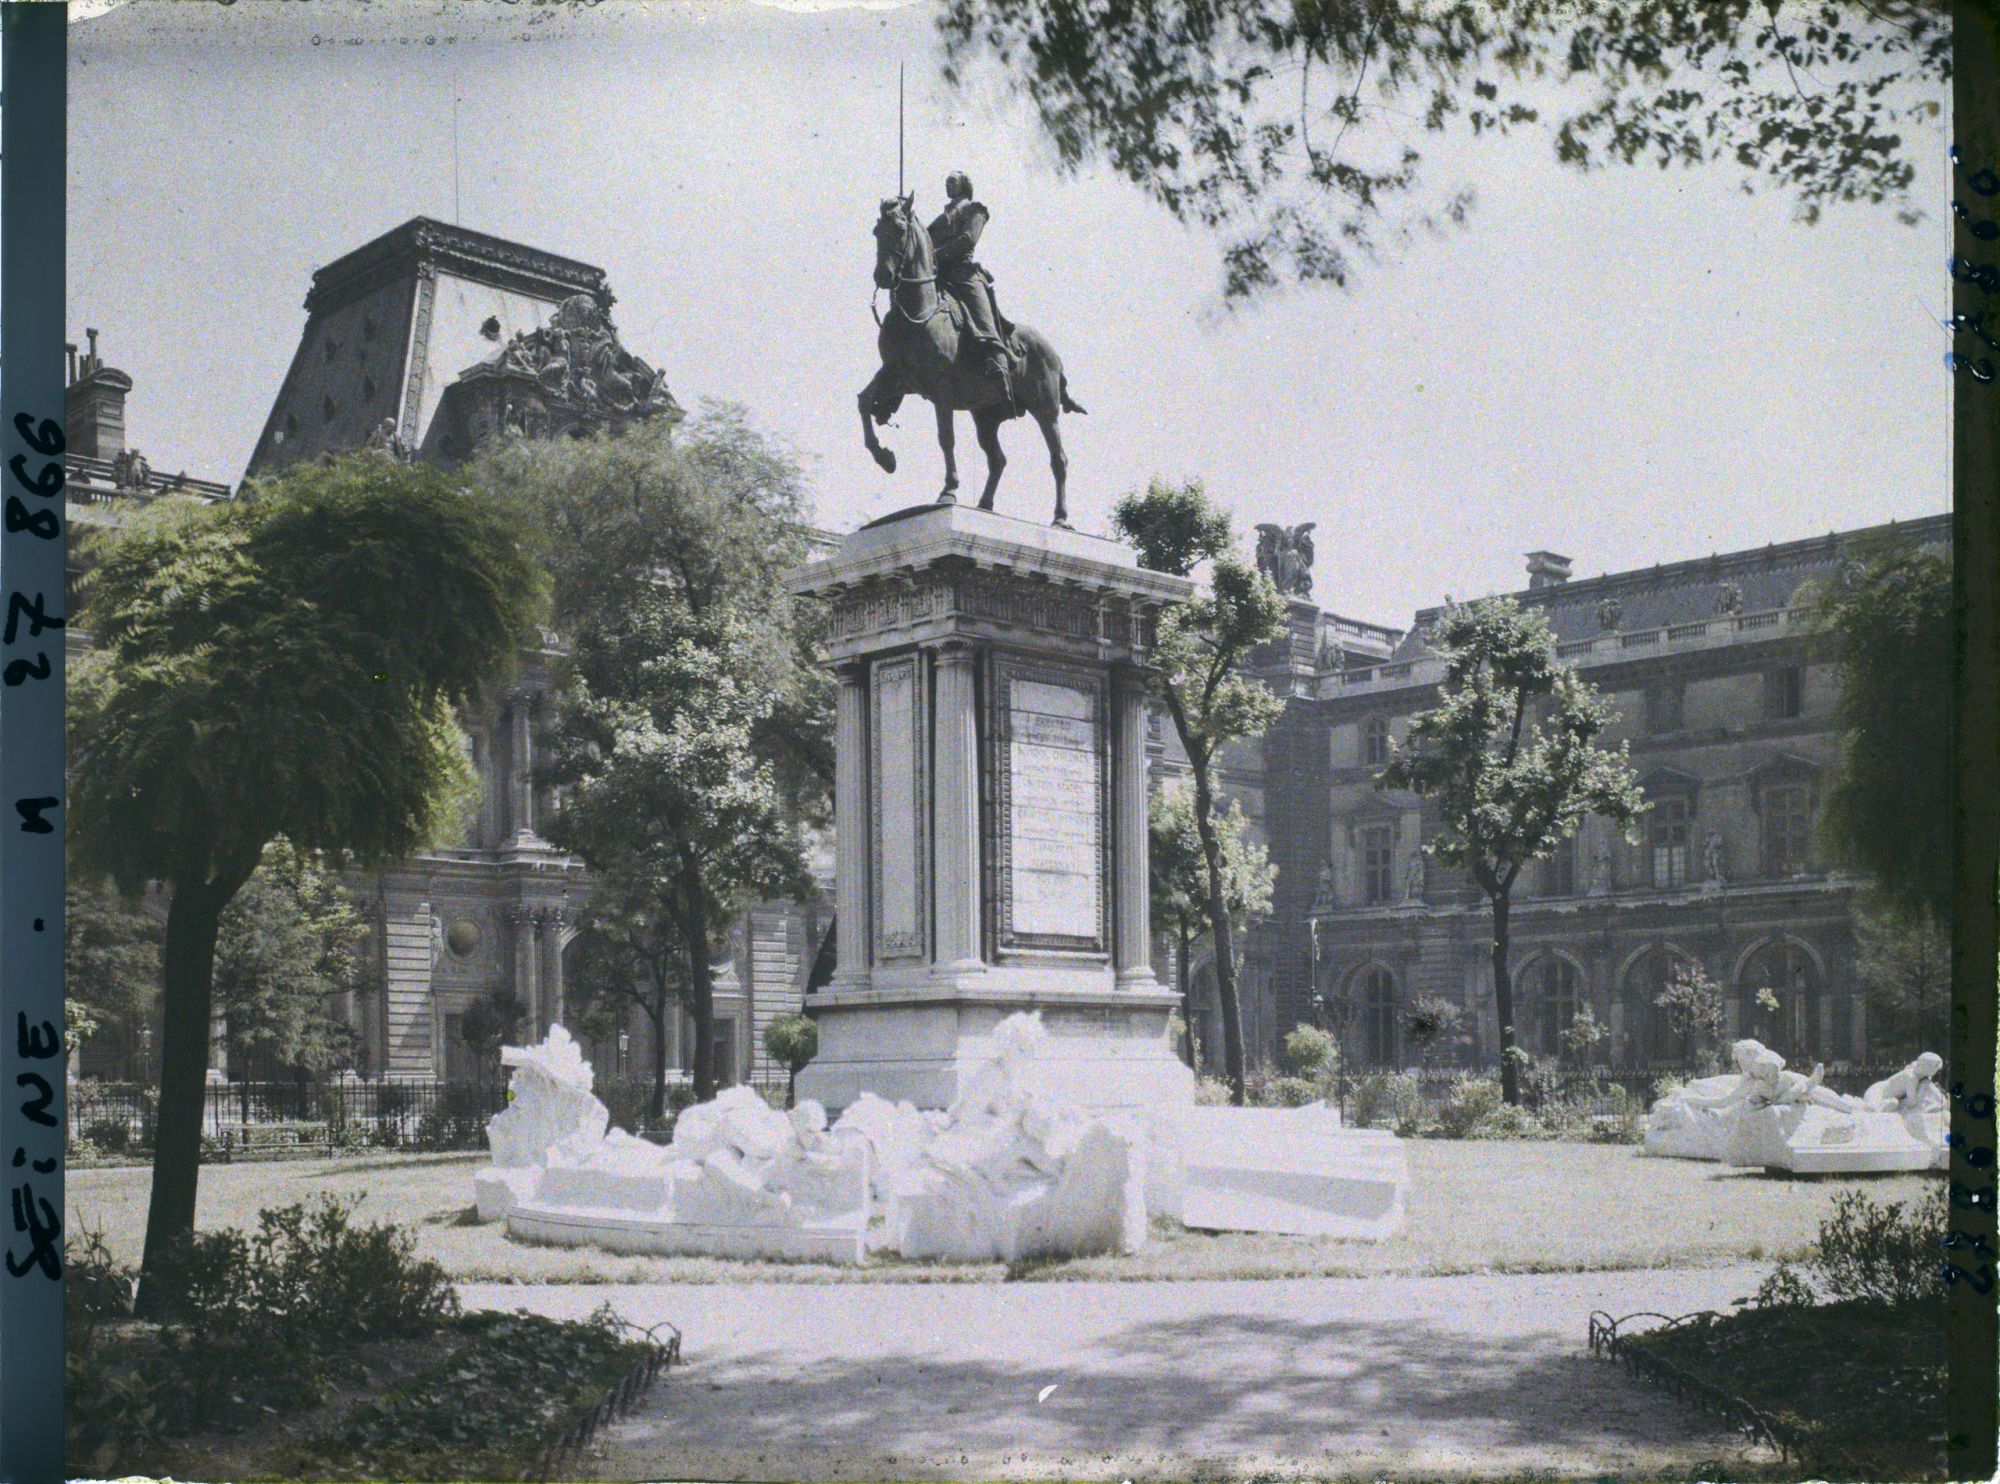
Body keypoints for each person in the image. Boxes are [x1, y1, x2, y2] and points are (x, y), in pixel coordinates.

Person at [928, 171, 1012, 406]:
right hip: (939, 275)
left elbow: (967, 239)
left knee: (982, 318)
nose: (948, 184)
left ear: (964, 185)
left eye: (952, 181)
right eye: (946, 182)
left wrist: (935, 255)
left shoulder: (974, 209)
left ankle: (999, 366)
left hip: (964, 273)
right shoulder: (939, 218)